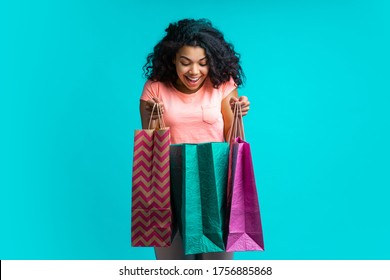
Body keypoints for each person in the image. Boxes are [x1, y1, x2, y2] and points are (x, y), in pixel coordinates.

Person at [139, 18, 250, 260]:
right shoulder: (154, 88)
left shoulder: (223, 84)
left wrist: (239, 111)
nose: (194, 71)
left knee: (216, 267)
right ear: (173, 60)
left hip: (216, 178)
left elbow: (234, 139)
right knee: (175, 266)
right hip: (169, 181)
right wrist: (153, 115)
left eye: (203, 63)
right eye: (185, 62)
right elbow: (151, 144)